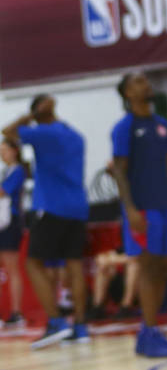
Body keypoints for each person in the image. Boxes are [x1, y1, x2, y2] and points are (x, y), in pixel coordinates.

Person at [2, 96, 91, 347]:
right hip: (78, 207)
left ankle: (56, 322)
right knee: (74, 267)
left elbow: (7, 132)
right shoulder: (75, 135)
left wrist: (30, 117)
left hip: (51, 206)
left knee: (33, 264)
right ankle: (81, 327)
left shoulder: (42, 133)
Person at [110, 72, 167, 357]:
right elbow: (119, 171)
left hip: (165, 206)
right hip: (143, 208)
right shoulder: (124, 127)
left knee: (163, 266)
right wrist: (130, 209)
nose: (147, 85)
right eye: (139, 82)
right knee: (148, 266)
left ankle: (148, 332)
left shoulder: (161, 124)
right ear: (128, 93)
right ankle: (150, 330)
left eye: (146, 81)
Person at [0, 137, 28, 326]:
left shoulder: (18, 171)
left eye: (4, 150)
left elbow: (3, 192)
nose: (2, 154)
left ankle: (16, 311)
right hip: (3, 222)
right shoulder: (6, 171)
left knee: (11, 267)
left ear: (14, 150)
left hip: (10, 222)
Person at [88, 247, 139, 320]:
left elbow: (138, 258)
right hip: (118, 282)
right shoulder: (120, 244)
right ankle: (97, 307)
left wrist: (112, 260)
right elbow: (101, 258)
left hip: (138, 286)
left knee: (134, 266)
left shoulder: (138, 241)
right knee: (104, 267)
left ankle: (126, 307)